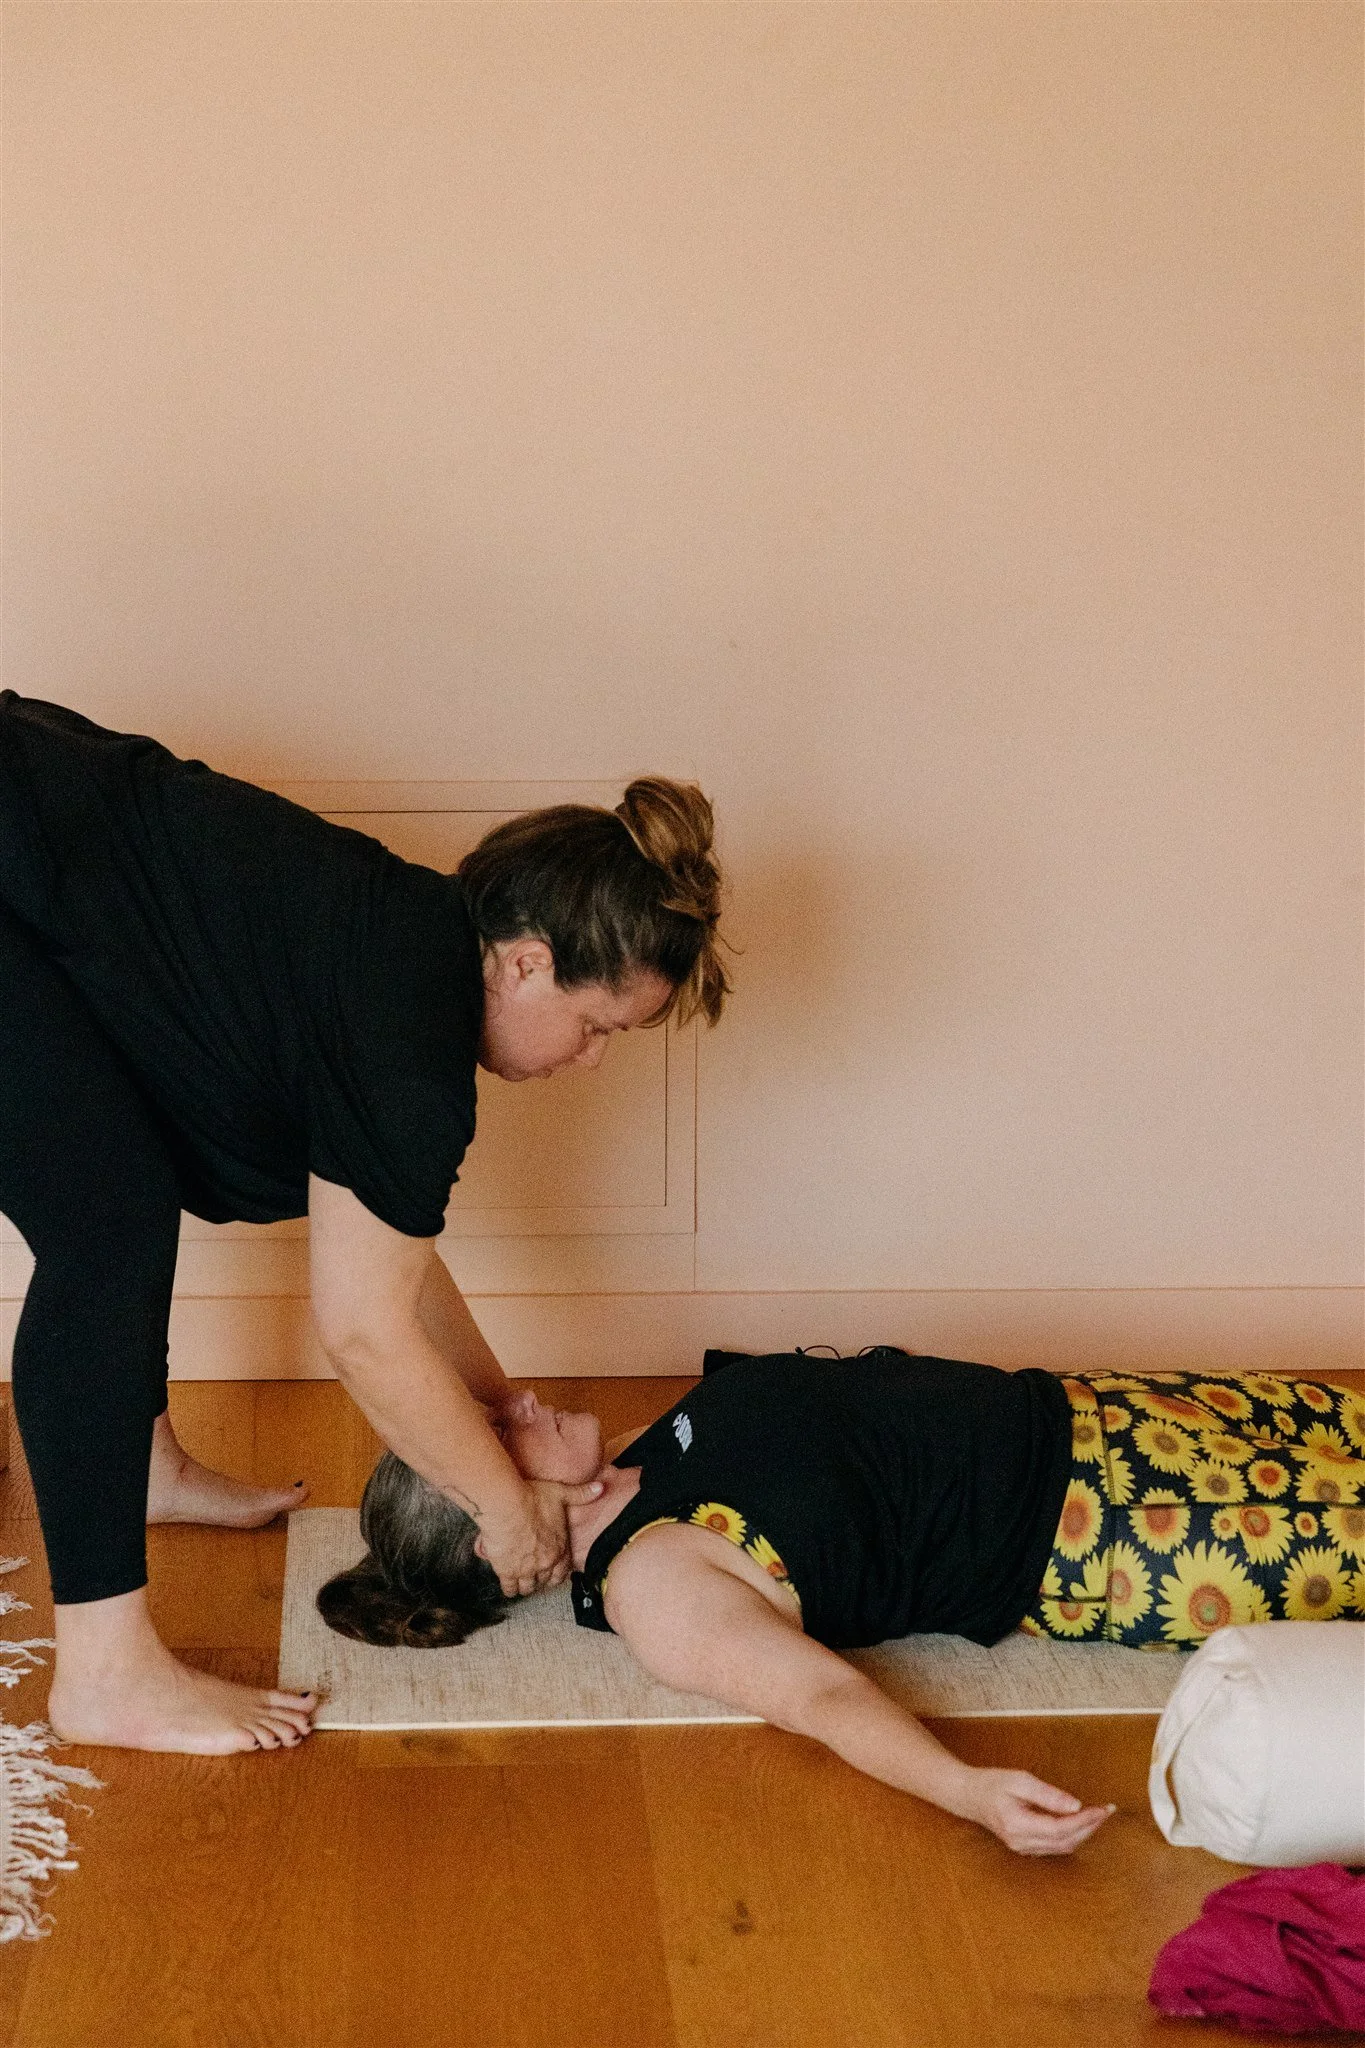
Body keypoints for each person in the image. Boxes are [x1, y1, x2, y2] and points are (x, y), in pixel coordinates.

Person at [0, 691, 729, 1753]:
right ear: (526, 960)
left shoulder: (408, 954)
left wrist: (496, 1406)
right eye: (593, 1025)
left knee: (120, 1182)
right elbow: (362, 1328)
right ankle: (106, 1672)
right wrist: (508, 1512)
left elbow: (393, 1264)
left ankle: (138, 1464)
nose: (590, 1061)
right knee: (104, 1225)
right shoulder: (411, 1048)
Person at [320, 1349, 1365, 1855]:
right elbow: (818, 1697)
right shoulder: (655, 1581)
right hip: (1109, 1530)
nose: (525, 1397)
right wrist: (969, 1792)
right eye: (501, 1428)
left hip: (1098, 1409)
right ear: (500, 1524)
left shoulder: (629, 1460)